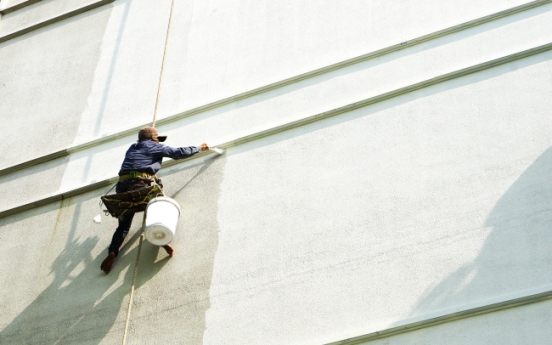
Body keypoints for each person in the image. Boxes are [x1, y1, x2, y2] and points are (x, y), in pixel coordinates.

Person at [101, 127, 209, 274]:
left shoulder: (132, 148)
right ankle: (162, 241)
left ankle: (112, 252)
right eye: (157, 138)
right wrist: (199, 148)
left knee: (123, 225)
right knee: (158, 208)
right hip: (139, 185)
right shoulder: (153, 146)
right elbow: (178, 153)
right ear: (152, 138)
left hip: (121, 188)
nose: (158, 141)